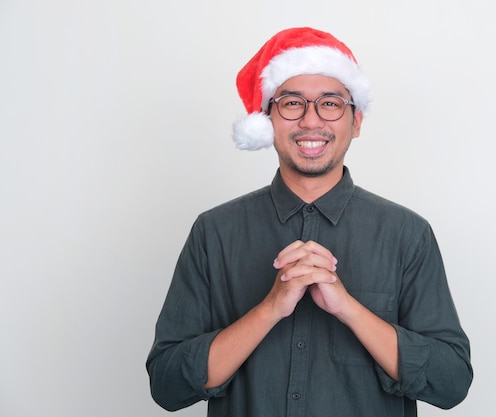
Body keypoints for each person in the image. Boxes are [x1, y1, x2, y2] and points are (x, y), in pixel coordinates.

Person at [146, 27, 472, 417]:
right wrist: (270, 308)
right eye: (292, 103)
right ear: (268, 119)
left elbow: (451, 382)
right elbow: (166, 385)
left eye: (330, 103)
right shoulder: (214, 232)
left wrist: (348, 308)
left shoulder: (407, 235)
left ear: (356, 120)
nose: (311, 121)